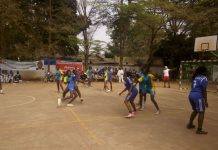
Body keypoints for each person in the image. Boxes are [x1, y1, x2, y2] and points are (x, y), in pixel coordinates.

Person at [187, 66, 208, 134]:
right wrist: (205, 101)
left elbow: (192, 87)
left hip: (191, 95)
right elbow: (204, 91)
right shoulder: (204, 78)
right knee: (201, 112)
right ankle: (199, 130)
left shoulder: (195, 77)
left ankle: (190, 124)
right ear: (204, 72)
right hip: (198, 96)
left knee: (195, 110)